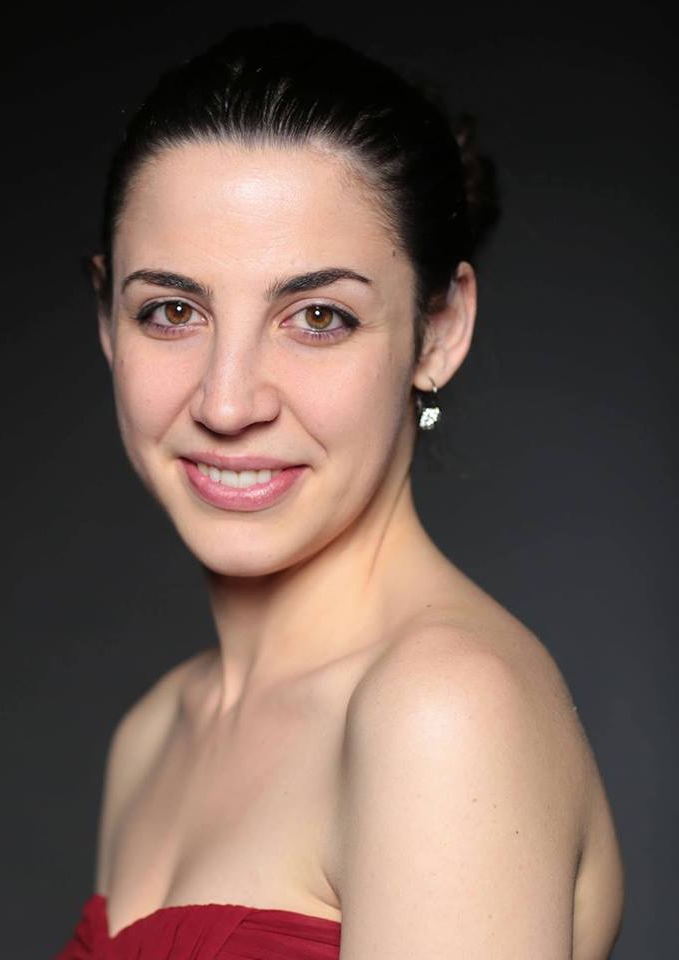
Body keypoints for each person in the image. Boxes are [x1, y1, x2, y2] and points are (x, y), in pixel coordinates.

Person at [55, 20, 625, 960]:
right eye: (172, 310)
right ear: (108, 320)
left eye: (318, 317)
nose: (228, 401)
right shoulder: (152, 737)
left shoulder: (444, 711)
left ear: (439, 331)